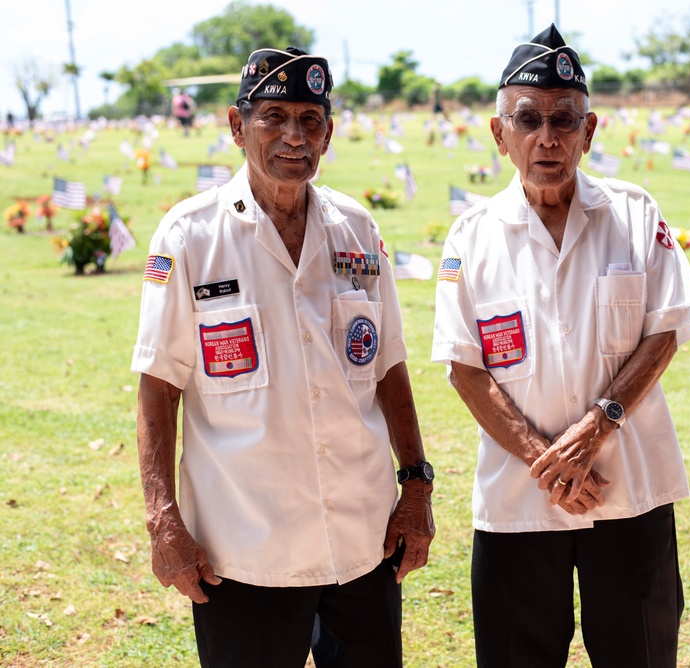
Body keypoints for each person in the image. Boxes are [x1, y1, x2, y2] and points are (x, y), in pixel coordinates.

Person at [133, 46, 435, 668]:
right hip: (246, 548)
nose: (293, 136)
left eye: (310, 119)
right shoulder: (189, 235)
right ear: (237, 125)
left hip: (361, 537)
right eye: (273, 116)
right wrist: (163, 522)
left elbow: (390, 368)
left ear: (329, 133)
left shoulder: (356, 228)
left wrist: (417, 485)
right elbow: (158, 386)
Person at [431, 25, 690, 668]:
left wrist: (598, 424)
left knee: (640, 654)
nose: (547, 137)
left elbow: (666, 330)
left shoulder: (634, 213)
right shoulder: (470, 237)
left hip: (630, 489)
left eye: (566, 120)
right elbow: (464, 368)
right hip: (517, 499)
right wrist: (546, 460)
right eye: (527, 119)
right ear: (499, 133)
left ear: (590, 132)